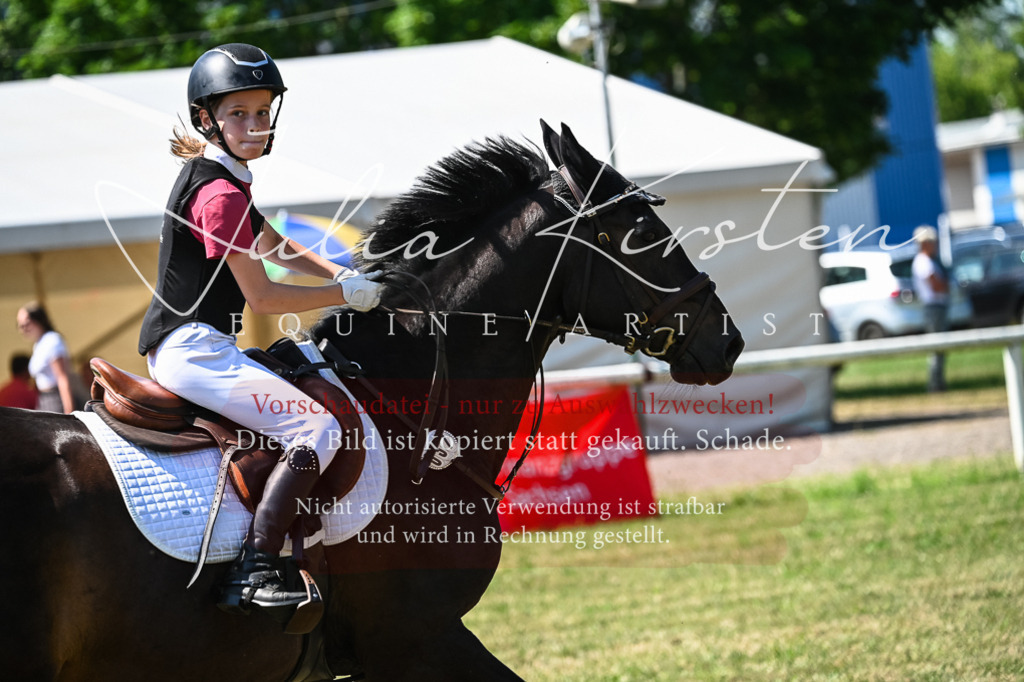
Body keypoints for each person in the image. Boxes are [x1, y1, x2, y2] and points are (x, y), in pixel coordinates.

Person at [137, 43, 382, 630]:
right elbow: (266, 297)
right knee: (316, 425)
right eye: (238, 113)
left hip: (204, 345)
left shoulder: (228, 182)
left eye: (262, 111)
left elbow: (276, 246)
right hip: (191, 350)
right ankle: (258, 565)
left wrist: (344, 273)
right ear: (207, 120)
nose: (255, 125)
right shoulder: (218, 195)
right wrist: (343, 298)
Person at [17, 303, 79, 413]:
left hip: (56, 398)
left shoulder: (52, 340)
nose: (23, 329)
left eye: (26, 324)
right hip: (44, 399)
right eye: (20, 326)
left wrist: (69, 411)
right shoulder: (39, 344)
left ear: (39, 321)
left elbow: (62, 378)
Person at [912, 225, 949, 392]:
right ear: (925, 243)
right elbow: (938, 286)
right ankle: (935, 384)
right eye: (932, 242)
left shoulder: (927, 261)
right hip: (933, 307)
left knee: (940, 348)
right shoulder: (924, 262)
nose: (935, 245)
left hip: (936, 306)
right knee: (936, 348)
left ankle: (938, 382)